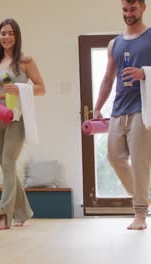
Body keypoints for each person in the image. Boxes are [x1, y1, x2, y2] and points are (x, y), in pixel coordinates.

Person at [93, 0, 150, 230]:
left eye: (133, 9)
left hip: (142, 109)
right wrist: (98, 107)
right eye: (125, 10)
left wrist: (144, 74)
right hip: (119, 109)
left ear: (143, 7)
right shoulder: (114, 44)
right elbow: (108, 78)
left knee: (138, 162)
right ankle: (143, 196)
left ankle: (140, 214)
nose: (128, 14)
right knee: (114, 157)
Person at [0, 18, 45, 230]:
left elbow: (41, 87)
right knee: (5, 165)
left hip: (16, 117)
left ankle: (4, 216)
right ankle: (24, 211)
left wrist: (20, 88)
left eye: (10, 33)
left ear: (17, 36)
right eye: (3, 33)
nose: (6, 37)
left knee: (8, 164)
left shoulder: (25, 60)